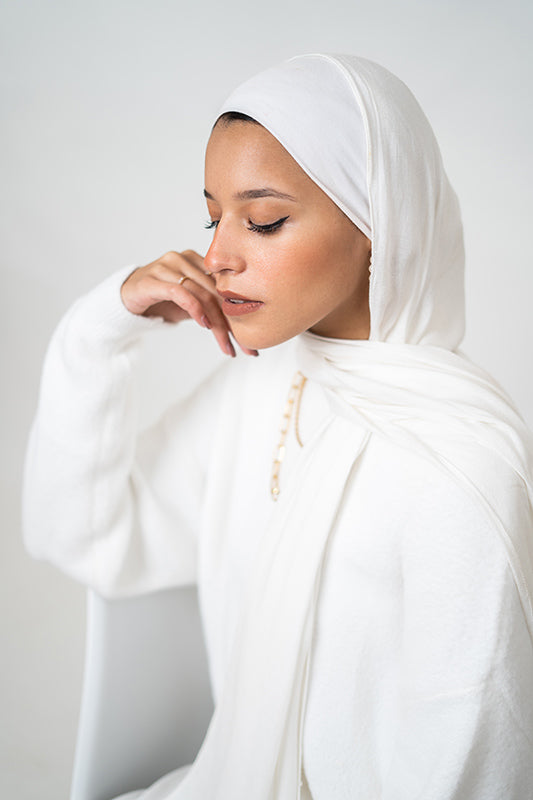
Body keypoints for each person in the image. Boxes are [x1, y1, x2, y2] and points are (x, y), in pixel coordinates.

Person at [23, 54, 533, 800]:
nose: (216, 256)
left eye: (263, 221)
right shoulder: (261, 388)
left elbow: (464, 763)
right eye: (213, 218)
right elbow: (83, 536)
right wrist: (100, 329)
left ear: (377, 223)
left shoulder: (461, 460)